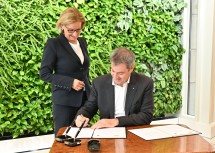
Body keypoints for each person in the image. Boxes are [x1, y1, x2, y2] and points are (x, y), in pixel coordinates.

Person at [39, 7, 91, 136]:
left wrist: (92, 94)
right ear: (62, 26)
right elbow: (44, 74)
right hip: (64, 102)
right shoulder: (54, 44)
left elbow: (84, 70)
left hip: (84, 101)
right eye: (70, 30)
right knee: (64, 140)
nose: (75, 34)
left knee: (83, 138)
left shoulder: (83, 42)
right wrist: (70, 82)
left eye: (78, 30)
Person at [75, 47, 154, 129]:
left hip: (133, 130)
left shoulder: (145, 83)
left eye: (120, 73)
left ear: (131, 68)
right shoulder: (99, 83)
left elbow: (146, 116)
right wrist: (81, 117)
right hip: (108, 132)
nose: (115, 77)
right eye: (113, 71)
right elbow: (89, 108)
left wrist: (116, 121)